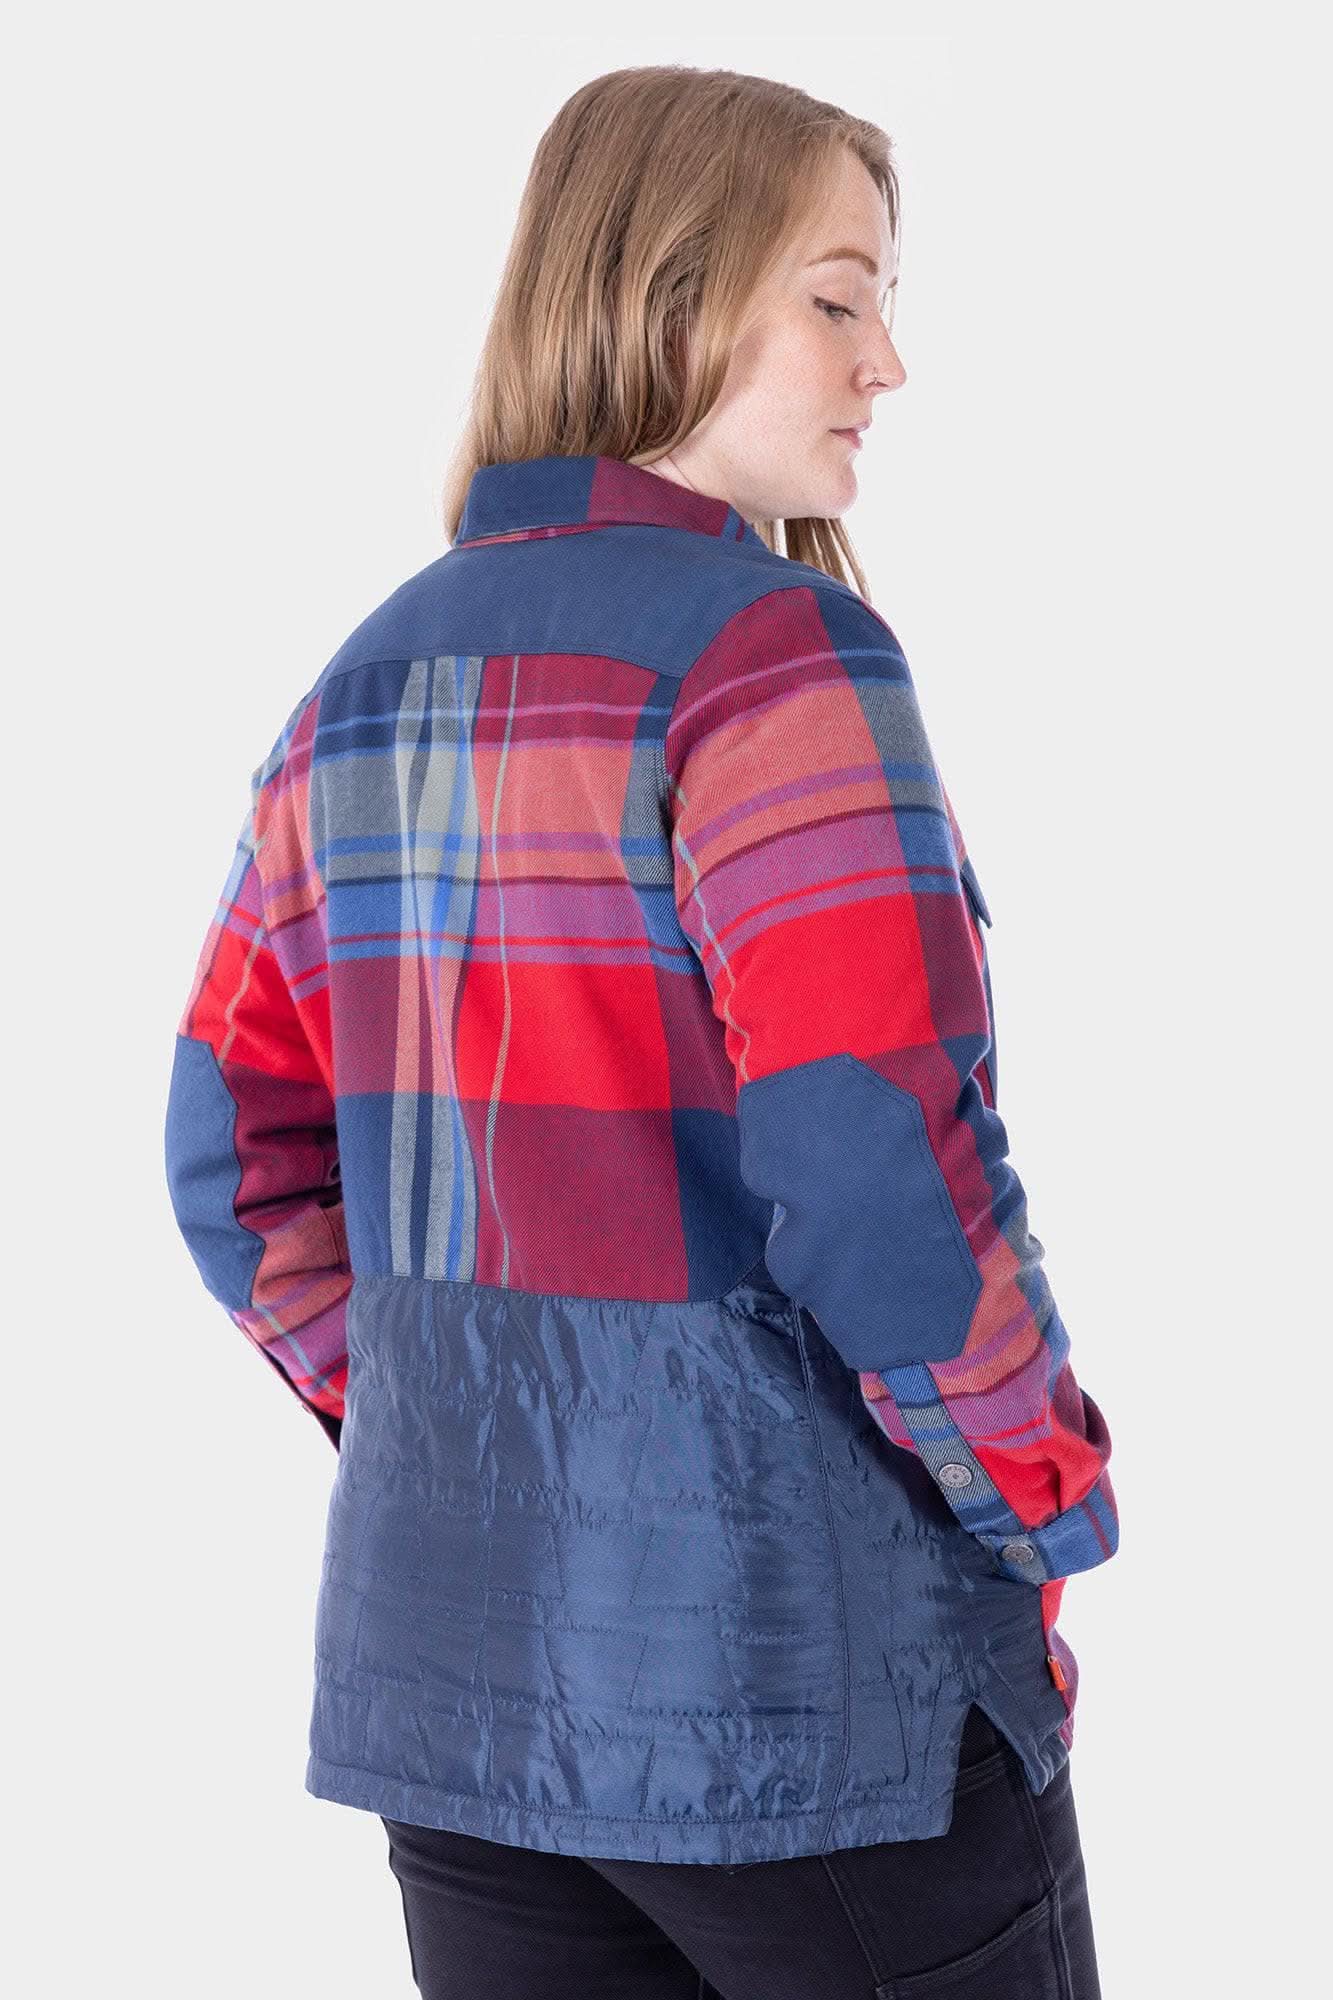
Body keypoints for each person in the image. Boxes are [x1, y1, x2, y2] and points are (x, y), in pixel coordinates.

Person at [163, 63, 1119, 2000]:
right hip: (798, 1685)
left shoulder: (366, 679)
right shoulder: (774, 656)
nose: (886, 363)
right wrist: (1040, 1485)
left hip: (457, 1689)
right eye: (838, 299)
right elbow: (870, 1156)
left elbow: (229, 1163)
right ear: (673, 295)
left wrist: (458, 1429)